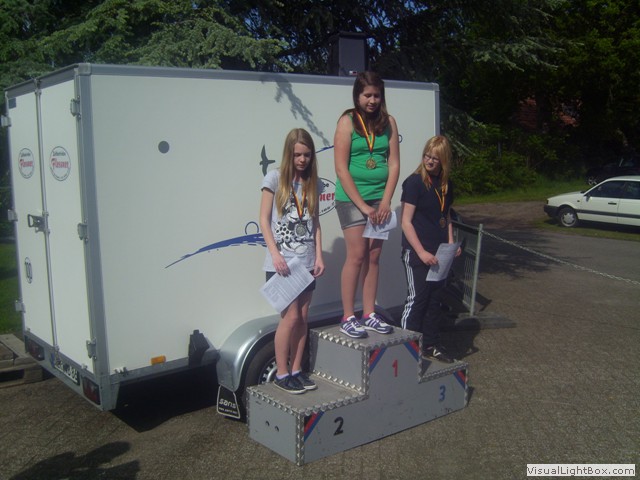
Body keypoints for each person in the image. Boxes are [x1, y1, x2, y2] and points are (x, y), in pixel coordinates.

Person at [334, 71, 399, 338]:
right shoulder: (347, 121)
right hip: (351, 199)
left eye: (376, 95)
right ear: (357, 96)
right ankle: (348, 316)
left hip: (378, 200)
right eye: (367, 95)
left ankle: (369, 313)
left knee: (374, 256)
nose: (372, 101)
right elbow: (341, 169)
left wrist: (385, 201)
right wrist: (363, 206)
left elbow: (393, 164)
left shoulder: (389, 122)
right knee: (358, 254)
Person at [259, 128, 325, 394]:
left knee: (303, 317)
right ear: (289, 154)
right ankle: (282, 373)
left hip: (306, 262)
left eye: (307, 155)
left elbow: (316, 223)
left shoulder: (313, 183)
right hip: (283, 263)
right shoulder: (274, 178)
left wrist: (319, 255)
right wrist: (275, 254)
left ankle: (297, 370)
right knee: (291, 317)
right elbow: (264, 220)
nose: (302, 160)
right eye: (297, 154)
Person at [400, 135, 460, 363]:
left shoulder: (446, 185)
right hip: (417, 252)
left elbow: (447, 216)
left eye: (435, 158)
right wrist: (421, 252)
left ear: (444, 160)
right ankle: (406, 348)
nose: (430, 161)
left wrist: (451, 243)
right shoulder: (414, 183)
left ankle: (431, 344)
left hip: (439, 253)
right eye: (427, 156)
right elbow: (406, 222)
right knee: (418, 299)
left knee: (436, 299)